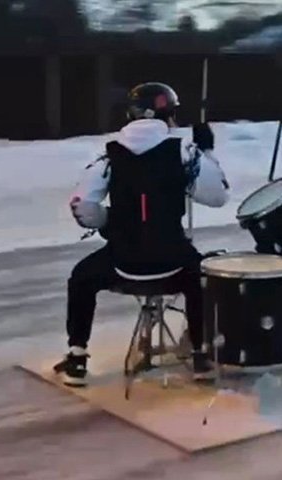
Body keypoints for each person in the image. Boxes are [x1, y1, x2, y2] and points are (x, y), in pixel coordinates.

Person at [53, 82, 230, 387]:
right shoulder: (183, 151)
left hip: (123, 263)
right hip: (173, 262)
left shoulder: (110, 154)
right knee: (202, 278)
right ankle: (201, 356)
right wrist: (206, 151)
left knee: (81, 278)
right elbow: (218, 196)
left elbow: (83, 206)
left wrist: (108, 221)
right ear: (167, 115)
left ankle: (77, 357)